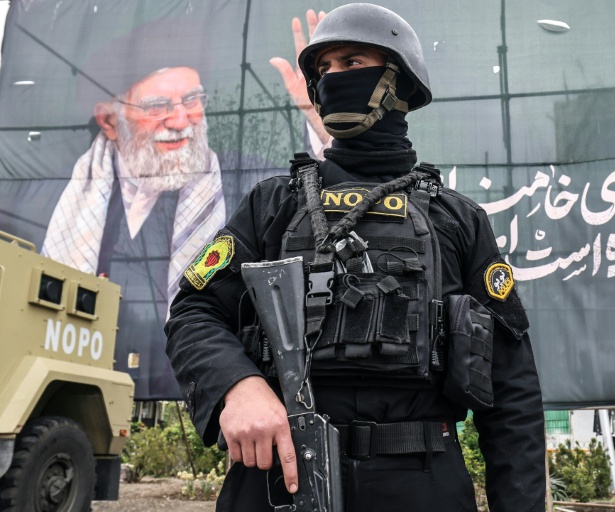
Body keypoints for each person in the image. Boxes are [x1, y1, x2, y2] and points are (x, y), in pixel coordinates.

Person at [165, 4, 546, 512]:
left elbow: (512, 387)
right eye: (323, 70)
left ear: (400, 82)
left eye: (350, 62)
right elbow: (193, 310)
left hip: (421, 482)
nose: (332, 79)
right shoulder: (273, 204)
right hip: (281, 478)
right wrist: (237, 385)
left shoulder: (456, 219)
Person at [42, 65, 225, 397]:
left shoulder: (241, 179)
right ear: (109, 122)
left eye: (192, 99)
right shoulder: (51, 198)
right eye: (157, 106)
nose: (180, 121)